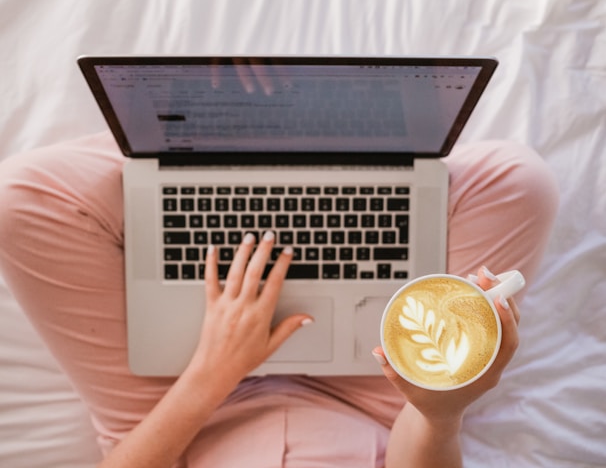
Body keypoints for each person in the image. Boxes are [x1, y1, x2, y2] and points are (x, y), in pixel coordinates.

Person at [0, 131, 559, 467]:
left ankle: (203, 147)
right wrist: (438, 410)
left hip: (181, 415)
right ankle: (341, 150)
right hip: (384, 411)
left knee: (19, 199)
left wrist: (211, 372)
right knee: (520, 181)